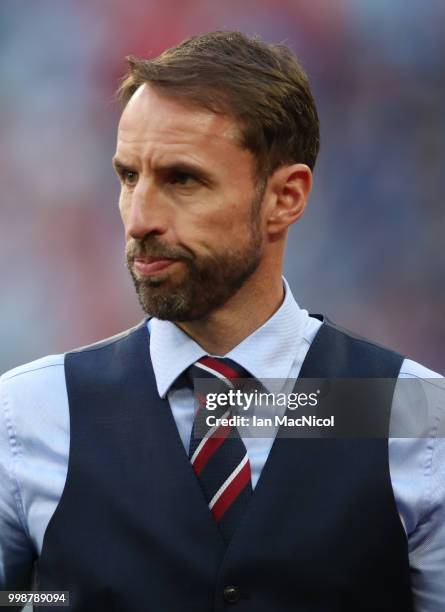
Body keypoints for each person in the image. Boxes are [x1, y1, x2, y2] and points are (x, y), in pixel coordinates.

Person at [0, 31, 444, 612]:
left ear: (285, 197)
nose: (140, 219)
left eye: (183, 179)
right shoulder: (26, 414)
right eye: (128, 176)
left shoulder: (411, 412)